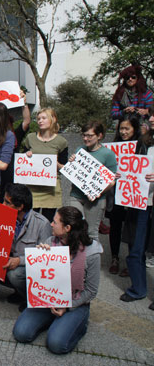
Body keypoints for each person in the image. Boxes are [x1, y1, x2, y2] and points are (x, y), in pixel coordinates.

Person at [13, 206, 103, 354]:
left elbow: (91, 291)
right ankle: (52, 321)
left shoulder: (92, 252)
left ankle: (79, 325)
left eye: (55, 222)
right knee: (21, 333)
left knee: (56, 345)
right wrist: (39, 257)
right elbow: (38, 278)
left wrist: (67, 307)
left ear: (67, 228)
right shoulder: (50, 241)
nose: (51, 224)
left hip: (75, 302)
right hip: (48, 298)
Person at [120, 108, 154, 310]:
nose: (150, 119)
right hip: (140, 203)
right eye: (150, 115)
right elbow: (132, 167)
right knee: (136, 248)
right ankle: (138, 289)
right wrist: (122, 177)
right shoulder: (144, 141)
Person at [68, 121, 117, 244]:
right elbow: (75, 172)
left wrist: (98, 192)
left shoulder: (108, 154)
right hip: (76, 195)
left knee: (91, 233)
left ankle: (92, 261)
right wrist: (72, 162)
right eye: (84, 135)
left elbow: (112, 180)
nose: (85, 138)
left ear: (99, 136)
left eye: (90, 135)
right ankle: (75, 259)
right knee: (73, 228)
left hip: (95, 200)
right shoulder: (80, 149)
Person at [104, 114, 141, 275]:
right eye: (121, 128)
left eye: (127, 128)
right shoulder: (113, 147)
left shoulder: (141, 146)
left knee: (132, 228)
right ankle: (114, 258)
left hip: (133, 193)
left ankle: (130, 261)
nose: (124, 132)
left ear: (135, 129)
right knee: (115, 227)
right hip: (115, 194)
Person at [23, 108, 68, 222]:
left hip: (51, 189)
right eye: (38, 119)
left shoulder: (61, 141)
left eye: (44, 118)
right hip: (32, 188)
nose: (40, 121)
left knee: (47, 222)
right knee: (30, 221)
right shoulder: (30, 138)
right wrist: (26, 155)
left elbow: (65, 168)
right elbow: (22, 160)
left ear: (53, 119)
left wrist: (56, 164)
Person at [111, 65, 153, 131]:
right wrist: (124, 111)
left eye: (133, 77)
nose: (130, 79)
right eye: (127, 78)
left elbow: (151, 112)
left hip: (142, 124)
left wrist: (145, 111)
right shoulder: (119, 94)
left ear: (138, 78)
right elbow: (113, 114)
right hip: (125, 125)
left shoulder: (146, 93)